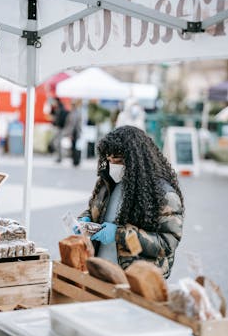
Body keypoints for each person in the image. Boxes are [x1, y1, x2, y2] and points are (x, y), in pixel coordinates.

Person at [79, 125, 184, 278]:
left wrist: (119, 234)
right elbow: (95, 209)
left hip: (135, 278)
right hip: (101, 269)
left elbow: (167, 243)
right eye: (108, 159)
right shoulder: (107, 182)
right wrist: (86, 219)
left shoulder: (164, 194)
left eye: (118, 159)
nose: (112, 164)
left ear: (136, 160)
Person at [62, 100, 82, 166]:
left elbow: (72, 125)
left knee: (74, 147)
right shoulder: (78, 113)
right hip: (76, 132)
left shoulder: (73, 114)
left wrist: (70, 134)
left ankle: (75, 161)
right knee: (75, 147)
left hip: (74, 132)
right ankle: (76, 160)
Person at [50, 97, 68, 162]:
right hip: (58, 128)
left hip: (60, 128)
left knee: (57, 143)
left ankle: (61, 156)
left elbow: (61, 119)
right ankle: (60, 156)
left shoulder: (61, 108)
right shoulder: (56, 108)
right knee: (56, 143)